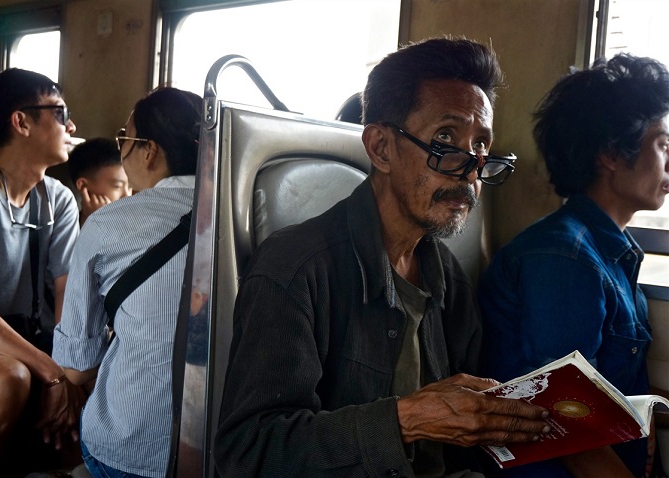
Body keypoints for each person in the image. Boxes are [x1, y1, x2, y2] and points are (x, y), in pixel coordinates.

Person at [215, 37, 549, 477]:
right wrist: (406, 419)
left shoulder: (446, 276)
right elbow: (249, 452)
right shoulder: (298, 269)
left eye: (481, 146)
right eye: (446, 139)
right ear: (380, 149)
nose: (470, 169)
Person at [479, 54, 669, 477]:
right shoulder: (565, 259)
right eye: (663, 145)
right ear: (612, 155)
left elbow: (612, 388)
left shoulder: (614, 252)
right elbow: (566, 421)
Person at [53, 86, 202, 478]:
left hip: (131, 446)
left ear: (149, 150)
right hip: (230, 447)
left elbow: (77, 368)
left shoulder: (107, 223)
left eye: (125, 140)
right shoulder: (251, 216)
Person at [0, 68, 81, 477]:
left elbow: (68, 295)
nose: (71, 125)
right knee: (8, 379)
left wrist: (70, 370)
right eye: (60, 112)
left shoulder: (58, 200)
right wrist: (51, 371)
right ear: (21, 122)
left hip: (29, 336)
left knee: (96, 374)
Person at [67, 137, 132, 226]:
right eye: (117, 186)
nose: (127, 196)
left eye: (130, 187)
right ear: (83, 186)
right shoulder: (64, 227)